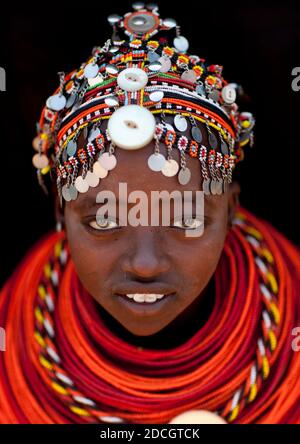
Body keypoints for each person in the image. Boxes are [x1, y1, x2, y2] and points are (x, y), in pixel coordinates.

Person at [1, 3, 300, 425]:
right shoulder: (10, 342)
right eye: (104, 220)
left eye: (186, 220)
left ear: (231, 211)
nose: (145, 264)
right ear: (60, 213)